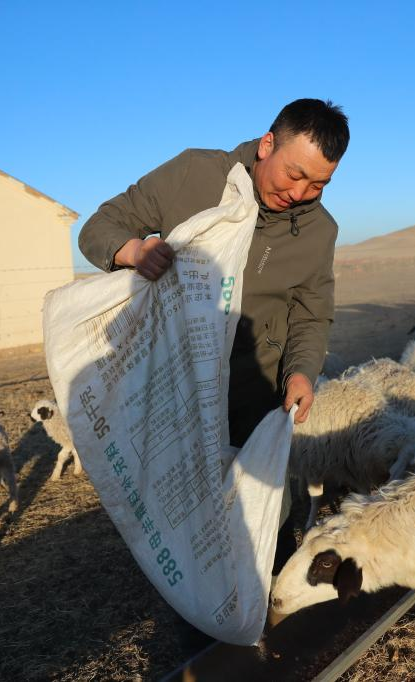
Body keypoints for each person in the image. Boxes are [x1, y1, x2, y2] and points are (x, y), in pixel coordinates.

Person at [78, 98, 348, 451]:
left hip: (253, 400)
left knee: (250, 487)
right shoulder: (194, 174)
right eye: (294, 175)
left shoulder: (319, 230)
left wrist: (301, 373)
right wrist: (135, 252)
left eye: (318, 185)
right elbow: (98, 227)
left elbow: (311, 316)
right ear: (267, 145)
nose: (298, 193)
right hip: (168, 390)